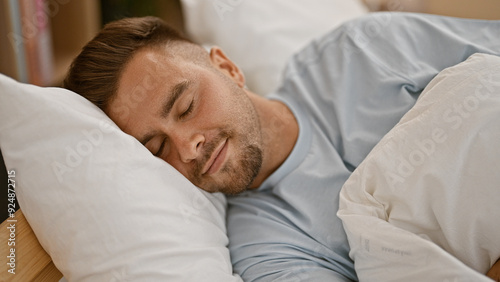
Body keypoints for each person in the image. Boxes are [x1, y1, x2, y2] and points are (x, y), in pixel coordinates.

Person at [64, 13, 500, 281]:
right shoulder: (264, 250)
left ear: (228, 67)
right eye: (157, 149)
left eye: (186, 105)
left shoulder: (361, 51)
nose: (188, 145)